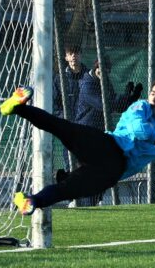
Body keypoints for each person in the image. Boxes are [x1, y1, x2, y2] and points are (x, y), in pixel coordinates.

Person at [0, 78, 155, 215]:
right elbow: (139, 130)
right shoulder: (140, 108)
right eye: (153, 92)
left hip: (111, 173)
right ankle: (16, 107)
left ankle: (30, 202)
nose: (154, 97)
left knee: (66, 190)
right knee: (62, 127)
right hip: (106, 146)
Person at [53, 47, 142, 206]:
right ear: (96, 68)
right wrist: (123, 99)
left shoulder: (104, 81)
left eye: (106, 70)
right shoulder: (87, 84)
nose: (103, 73)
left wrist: (129, 98)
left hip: (100, 133)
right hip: (85, 133)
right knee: (83, 167)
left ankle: (94, 198)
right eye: (101, 69)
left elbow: (116, 103)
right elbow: (105, 105)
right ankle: (77, 199)